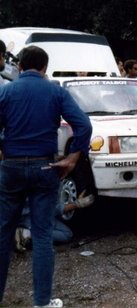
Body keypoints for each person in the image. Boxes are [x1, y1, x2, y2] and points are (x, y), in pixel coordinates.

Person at [0, 46, 92, 307]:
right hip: (45, 168)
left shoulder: (6, 91)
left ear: (19, 67)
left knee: (3, 233)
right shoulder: (56, 91)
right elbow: (83, 125)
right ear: (44, 68)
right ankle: (41, 302)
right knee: (42, 236)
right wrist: (73, 158)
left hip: (12, 167)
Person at [15, 193, 95, 251]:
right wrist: (76, 205)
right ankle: (25, 233)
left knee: (67, 233)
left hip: (35, 215)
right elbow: (47, 210)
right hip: (30, 219)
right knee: (66, 234)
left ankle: (29, 233)